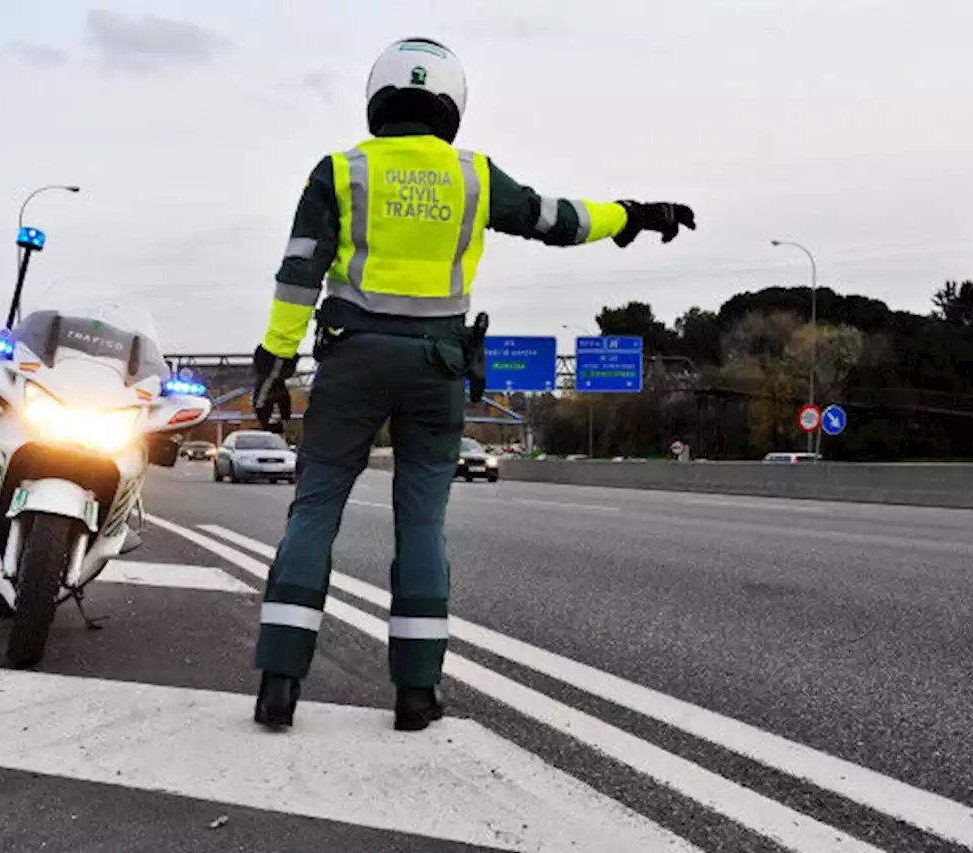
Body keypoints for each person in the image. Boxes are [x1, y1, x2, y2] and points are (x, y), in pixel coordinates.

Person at [250, 36, 696, 732]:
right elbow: (557, 219)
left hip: (352, 362)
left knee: (314, 512)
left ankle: (279, 684)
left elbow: (299, 272)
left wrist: (274, 365)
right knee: (422, 524)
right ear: (451, 104)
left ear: (378, 98)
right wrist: (633, 215)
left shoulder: (338, 171)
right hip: (437, 370)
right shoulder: (474, 176)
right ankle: (416, 695)